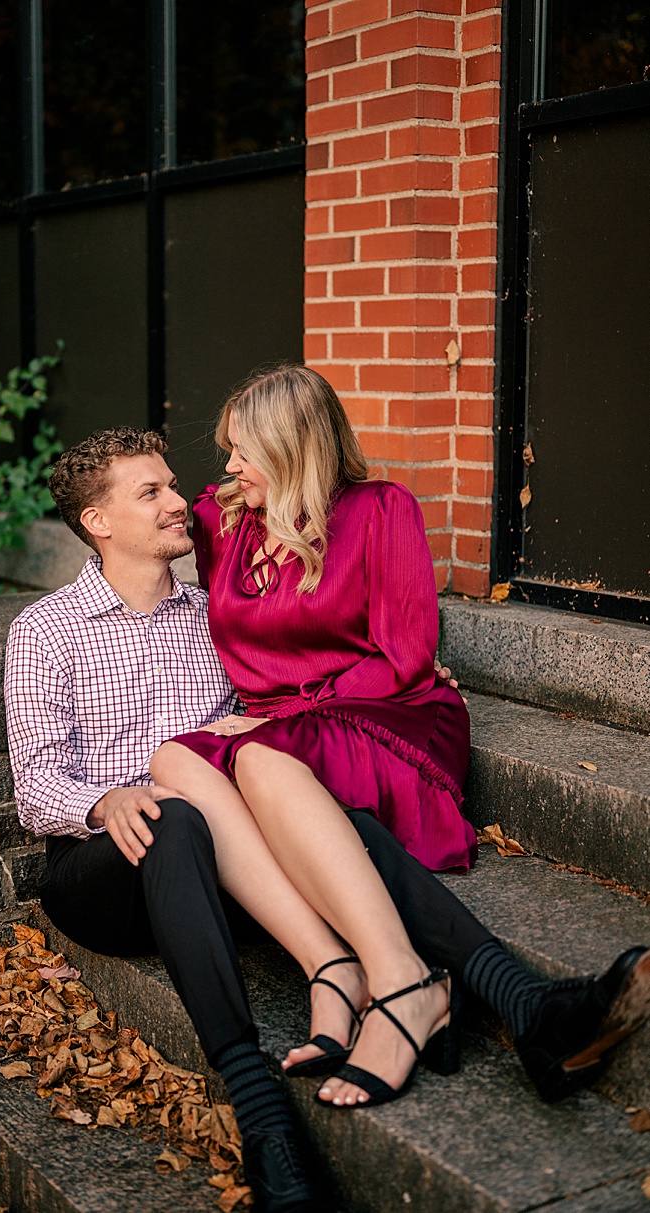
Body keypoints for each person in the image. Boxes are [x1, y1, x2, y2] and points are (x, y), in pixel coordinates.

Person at [6, 424, 649, 1210]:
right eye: (153, 492)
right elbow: (36, 785)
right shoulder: (45, 630)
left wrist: (404, 684)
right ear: (97, 521)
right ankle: (261, 1106)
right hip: (110, 870)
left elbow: (298, 684)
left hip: (231, 867)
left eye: (174, 484)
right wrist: (105, 799)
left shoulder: (213, 616)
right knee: (172, 815)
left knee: (326, 815)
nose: (182, 501)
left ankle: (523, 1002)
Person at [149, 364, 650, 1113]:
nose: (227, 466)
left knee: (254, 757)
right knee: (177, 760)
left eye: (243, 450)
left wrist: (282, 716)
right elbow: (128, 518)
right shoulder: (226, 523)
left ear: (292, 449)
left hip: (387, 711)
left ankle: (397, 984)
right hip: (276, 737)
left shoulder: (381, 510)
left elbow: (405, 656)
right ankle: (443, 990)